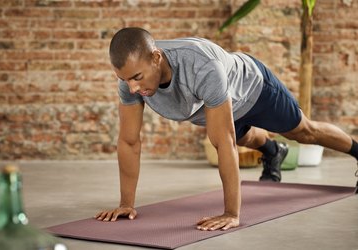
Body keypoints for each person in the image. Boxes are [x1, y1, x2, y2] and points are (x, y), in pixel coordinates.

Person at [95, 27, 358, 231]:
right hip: (217, 106)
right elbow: (129, 141)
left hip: (254, 90)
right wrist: (126, 204)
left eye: (137, 78)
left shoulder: (200, 66)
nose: (131, 88)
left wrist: (231, 214)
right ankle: (272, 151)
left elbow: (224, 142)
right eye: (124, 79)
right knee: (247, 138)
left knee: (302, 131)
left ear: (156, 58)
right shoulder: (131, 79)